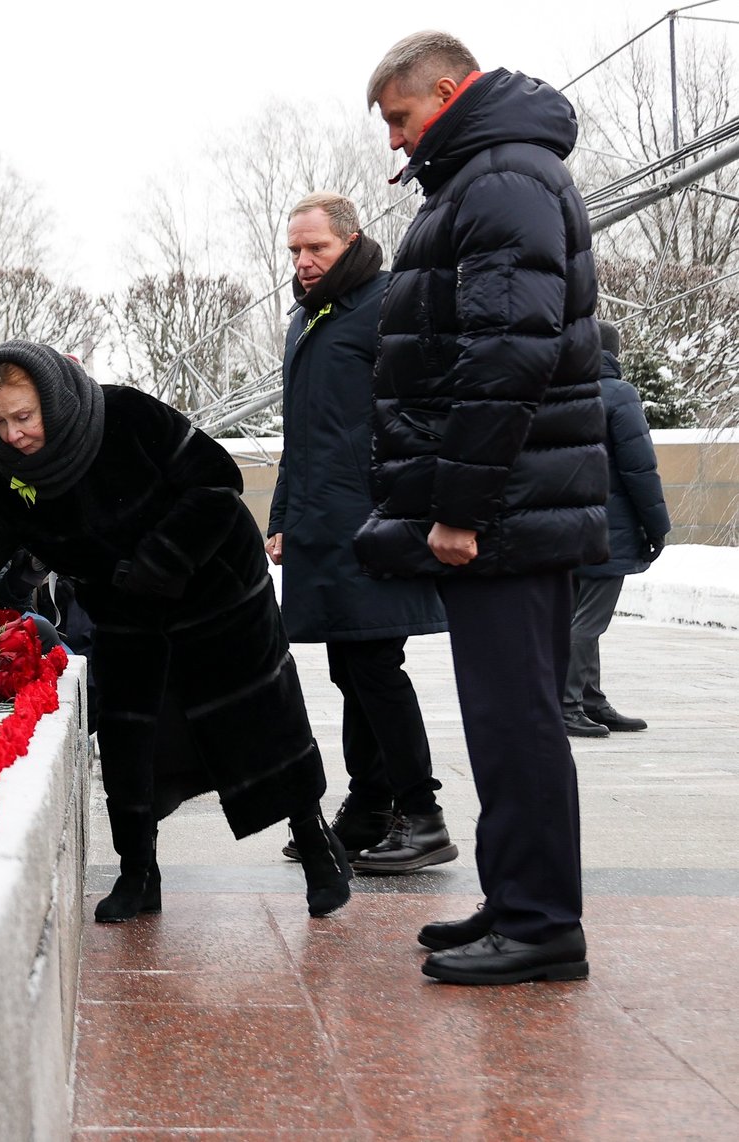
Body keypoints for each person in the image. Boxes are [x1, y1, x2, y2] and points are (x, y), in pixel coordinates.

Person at [0, 341, 354, 922]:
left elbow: (217, 479)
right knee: (130, 735)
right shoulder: (14, 479)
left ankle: (317, 846)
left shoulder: (126, 416)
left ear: (54, 402)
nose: (12, 435)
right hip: (126, 608)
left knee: (256, 719)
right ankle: (139, 873)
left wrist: (161, 561)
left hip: (216, 589)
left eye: (24, 417)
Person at [356, 32, 608, 984]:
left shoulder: (500, 178)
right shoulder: (490, 175)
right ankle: (517, 901)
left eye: (399, 116)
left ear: (449, 93)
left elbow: (508, 356)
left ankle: (541, 923)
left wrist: (458, 507)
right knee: (508, 716)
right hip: (517, 499)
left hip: (506, 507)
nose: (393, 139)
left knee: (517, 720)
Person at [266, 193, 454, 874]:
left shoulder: (387, 305)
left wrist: (409, 496)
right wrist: (283, 513)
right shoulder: (308, 317)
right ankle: (372, 806)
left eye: (316, 247)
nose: (304, 260)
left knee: (374, 665)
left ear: (350, 241)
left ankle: (422, 814)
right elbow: (301, 431)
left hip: (374, 516)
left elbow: (429, 409)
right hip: (324, 519)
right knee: (351, 665)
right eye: (294, 249)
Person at [564, 320, 671, 737]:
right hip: (610, 528)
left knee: (578, 615)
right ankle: (568, 704)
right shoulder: (619, 394)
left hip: (566, 527)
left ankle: (590, 699)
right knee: (588, 621)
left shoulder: (559, 391)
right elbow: (640, 468)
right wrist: (657, 527)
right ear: (612, 353)